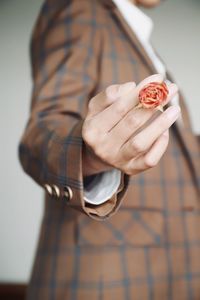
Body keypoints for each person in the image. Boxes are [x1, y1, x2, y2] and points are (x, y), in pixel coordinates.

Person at [19, 0, 200, 299]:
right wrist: (88, 155)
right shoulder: (77, 8)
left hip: (176, 269)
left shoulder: (141, 39)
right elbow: (43, 129)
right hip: (110, 277)